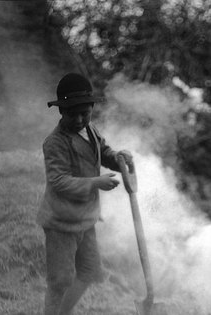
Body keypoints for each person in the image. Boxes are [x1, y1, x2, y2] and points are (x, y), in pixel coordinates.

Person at [38, 73, 133, 315]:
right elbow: (59, 181)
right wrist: (95, 183)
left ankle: (62, 313)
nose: (80, 119)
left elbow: (103, 151)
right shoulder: (55, 142)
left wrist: (118, 158)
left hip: (86, 218)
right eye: (73, 114)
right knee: (60, 281)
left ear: (91, 109)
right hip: (61, 222)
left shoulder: (90, 130)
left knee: (89, 271)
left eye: (85, 113)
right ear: (61, 113)